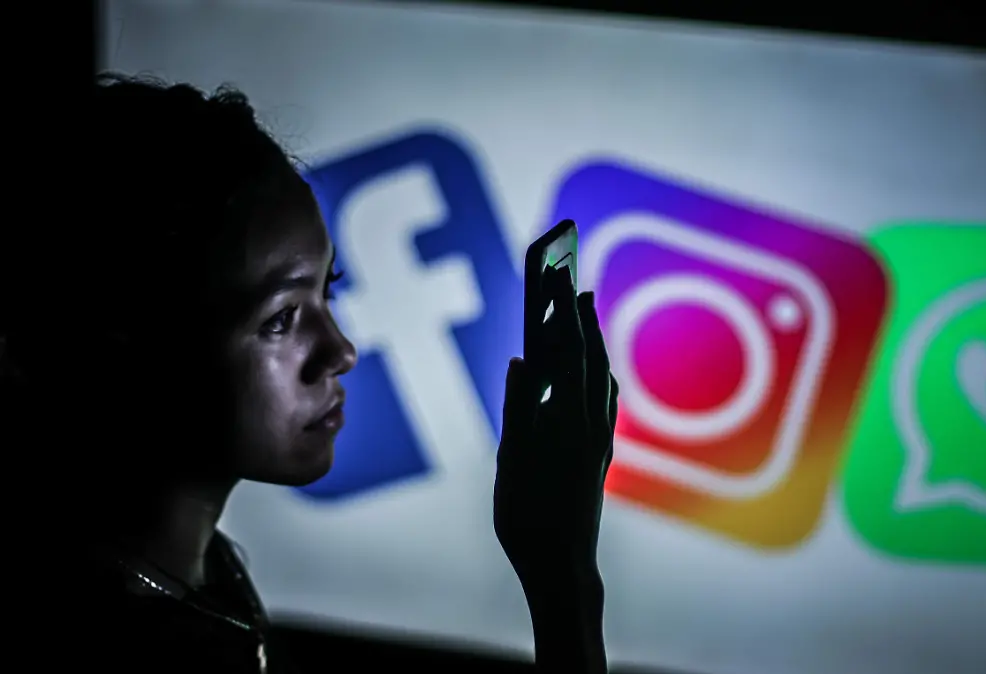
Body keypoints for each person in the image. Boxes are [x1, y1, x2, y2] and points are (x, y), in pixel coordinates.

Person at [0, 74, 616, 673]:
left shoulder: (202, 577)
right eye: (280, 319)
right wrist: (564, 585)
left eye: (329, 289)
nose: (341, 352)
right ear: (127, 345)